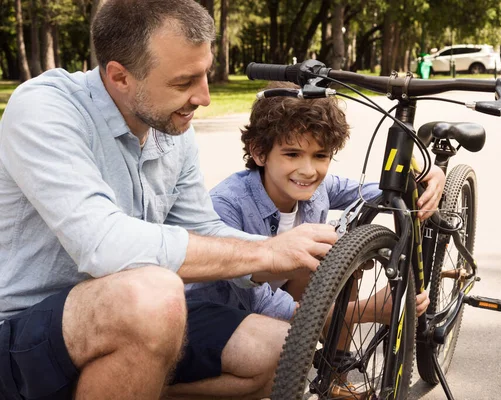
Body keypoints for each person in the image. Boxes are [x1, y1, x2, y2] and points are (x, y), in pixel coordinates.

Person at [0, 1, 338, 400]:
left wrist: (291, 251)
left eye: (206, 74)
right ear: (120, 77)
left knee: (283, 349)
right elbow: (104, 245)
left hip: (139, 317)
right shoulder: (45, 109)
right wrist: (264, 253)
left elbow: (202, 229)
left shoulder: (170, 127)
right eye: (184, 82)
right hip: (27, 331)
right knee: (153, 294)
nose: (204, 97)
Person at [189, 81, 443, 352]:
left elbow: (375, 192)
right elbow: (264, 308)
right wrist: (370, 310)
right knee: (277, 345)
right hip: (217, 321)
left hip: (277, 294)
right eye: (292, 154)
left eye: (320, 155)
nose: (308, 170)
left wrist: (429, 176)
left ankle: (338, 374)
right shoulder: (228, 206)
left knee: (343, 259)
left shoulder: (318, 187)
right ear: (259, 152)